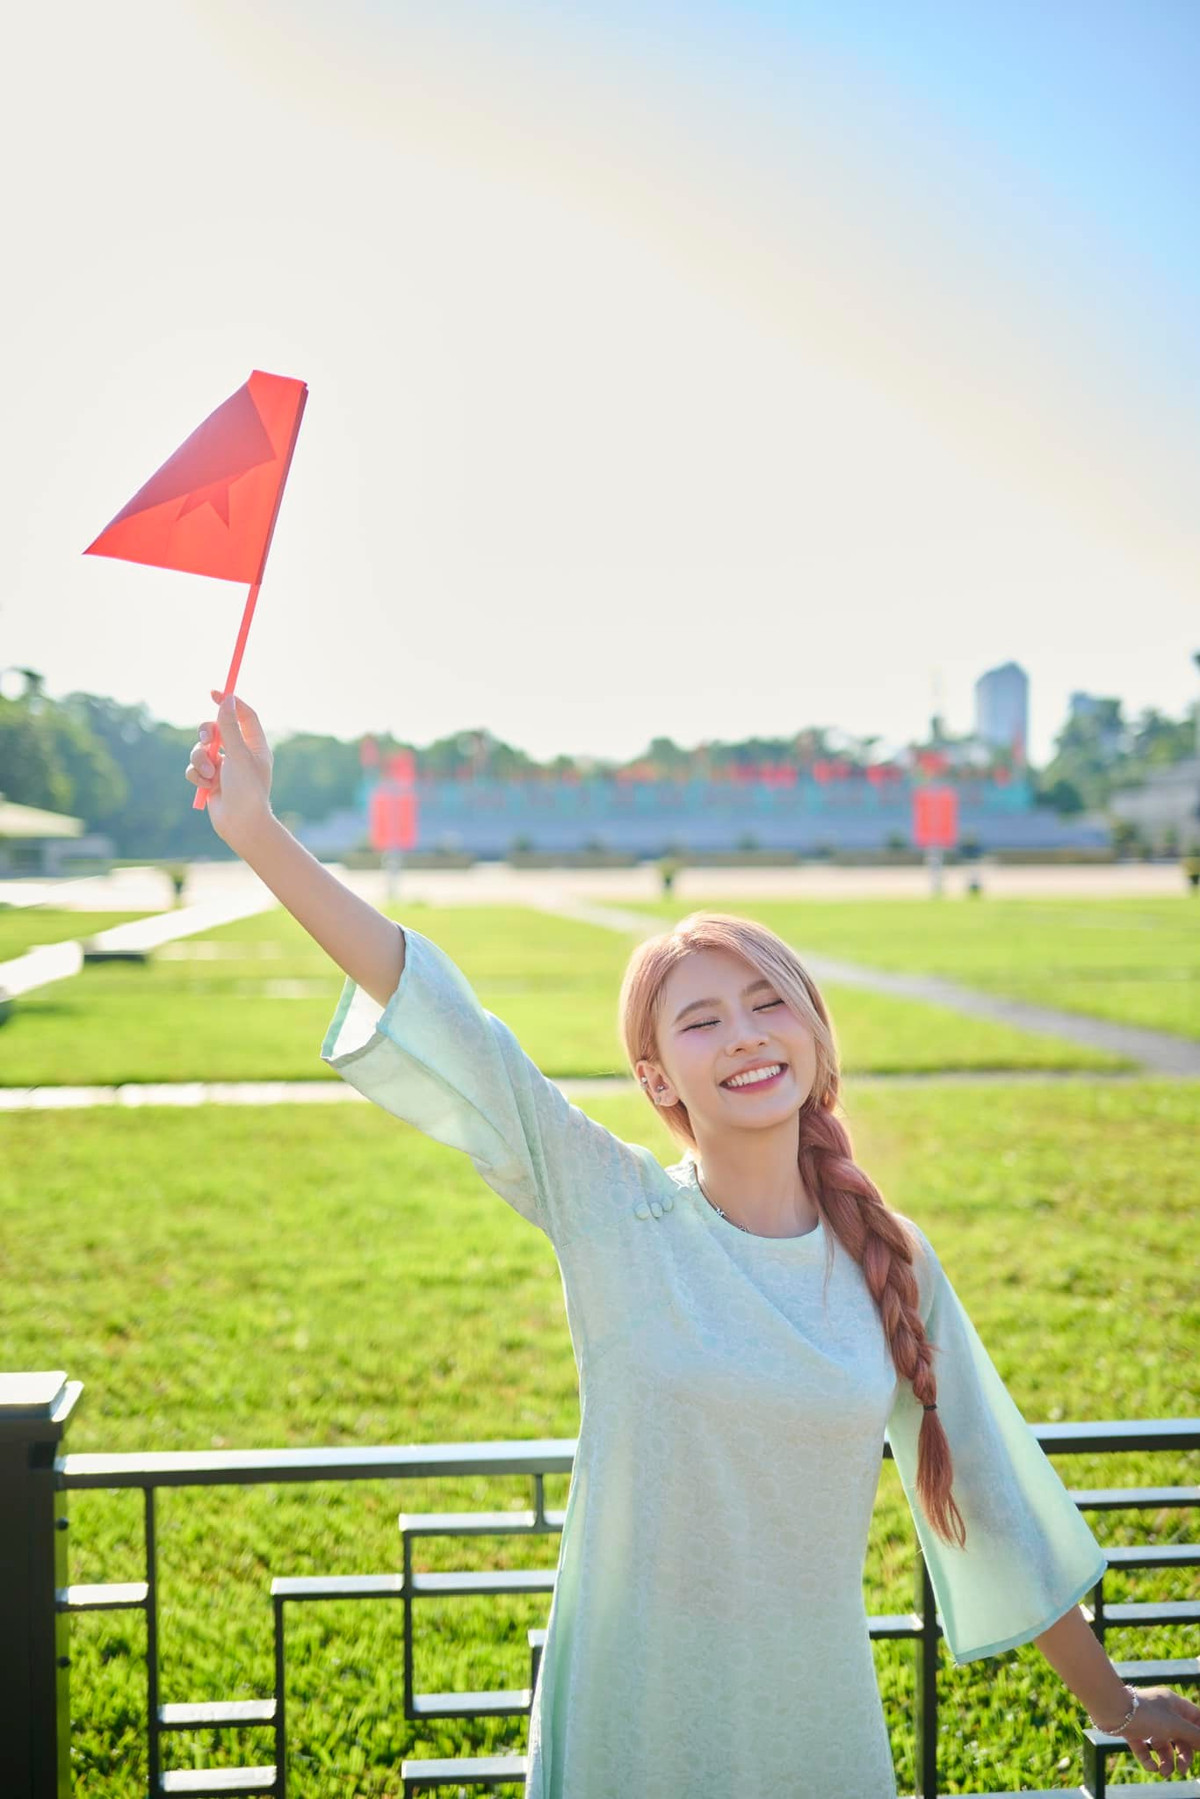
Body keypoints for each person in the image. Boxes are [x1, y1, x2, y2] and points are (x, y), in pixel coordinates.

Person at [187, 693, 1200, 1797]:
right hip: (636, 1712)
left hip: (810, 1720)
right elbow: (440, 1008)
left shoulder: (889, 1257)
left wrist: (1116, 1698)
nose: (747, 1035)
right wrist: (257, 831)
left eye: (770, 1003)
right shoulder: (613, 1209)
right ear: (658, 1076)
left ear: (815, 1033)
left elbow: (992, 1495)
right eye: (702, 1018)